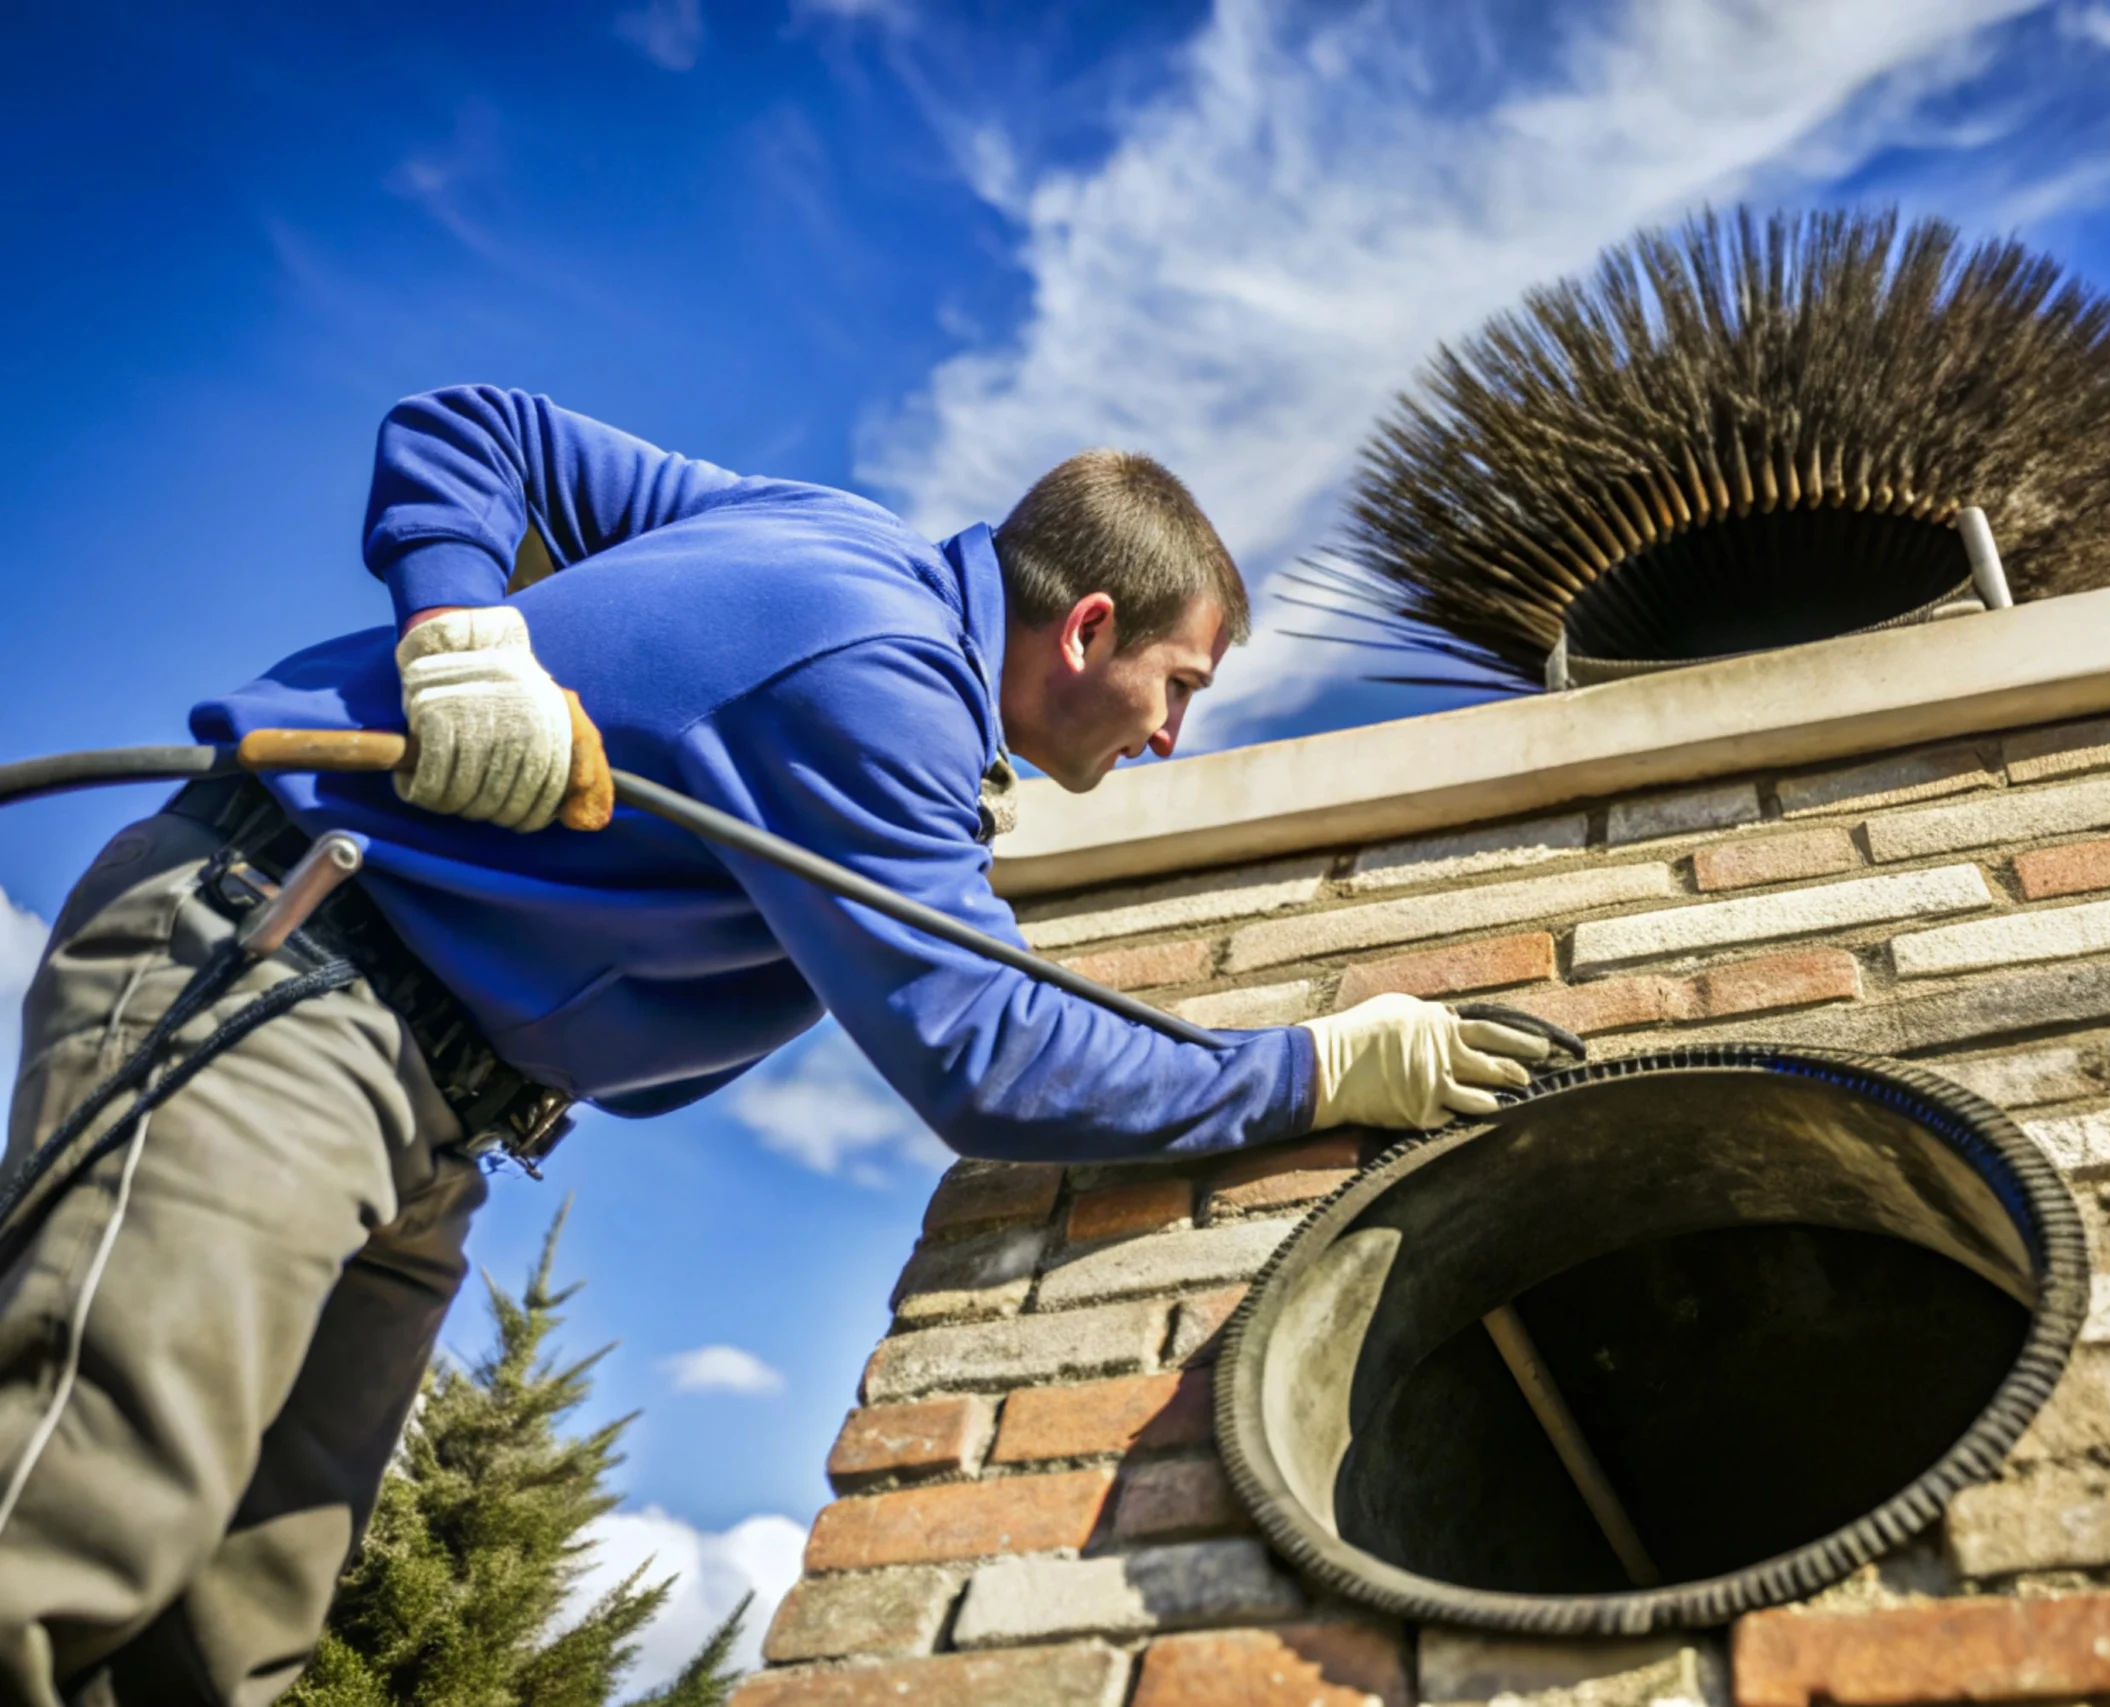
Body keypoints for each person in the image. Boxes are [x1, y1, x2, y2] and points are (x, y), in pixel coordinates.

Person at [0, 386, 1557, 1702]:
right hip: (280, 962)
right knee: (85, 1509)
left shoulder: (818, 538)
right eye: (1179, 686)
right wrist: (1316, 1069)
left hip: (427, 1100)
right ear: (1088, 626)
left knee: (233, 1627)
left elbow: (488, 435)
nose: (1172, 735)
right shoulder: (877, 675)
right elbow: (989, 1054)